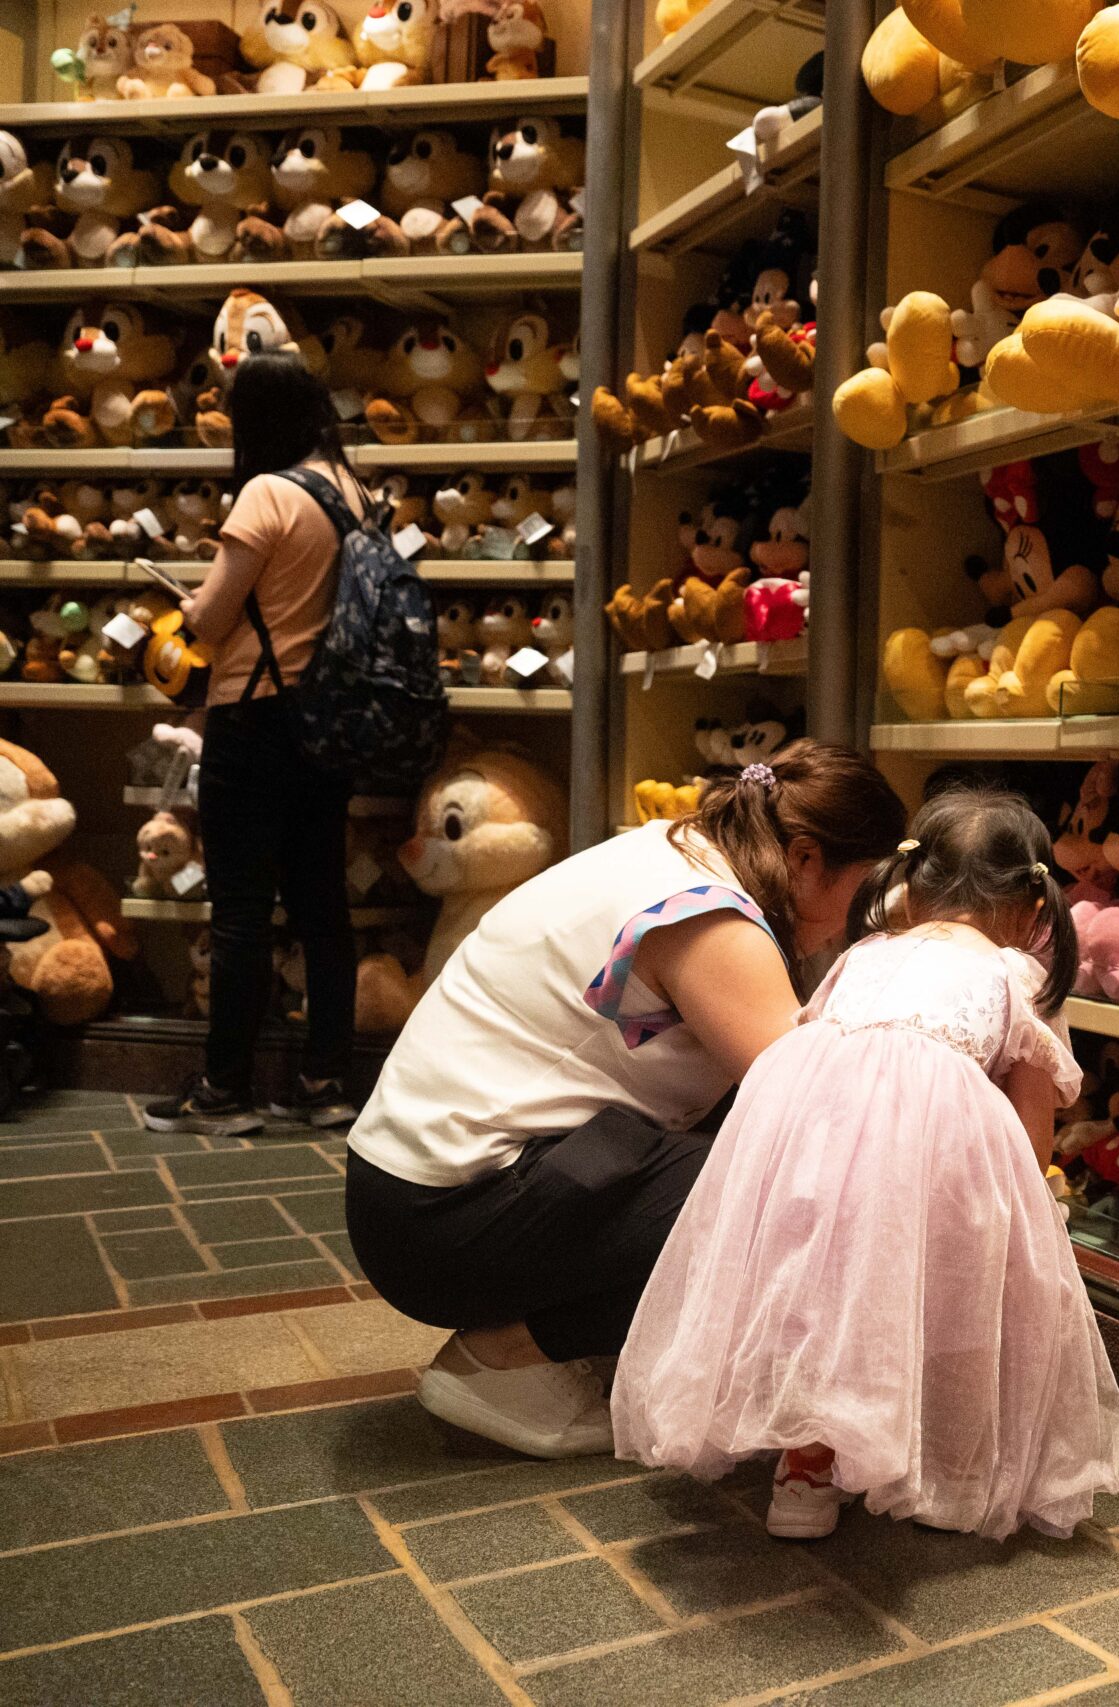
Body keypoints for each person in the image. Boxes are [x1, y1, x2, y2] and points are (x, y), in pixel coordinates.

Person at [344, 745, 908, 1460]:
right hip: (438, 1227)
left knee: (747, 1156)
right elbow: (820, 1114)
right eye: (861, 892)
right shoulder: (716, 922)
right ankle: (503, 1358)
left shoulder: (678, 847)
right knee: (794, 1191)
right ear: (803, 858)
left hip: (406, 1195)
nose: (855, 924)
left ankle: (554, 1337)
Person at [612, 787, 1119, 1543]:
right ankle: (940, 1459)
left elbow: (820, 1047)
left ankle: (806, 1466)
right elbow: (1029, 1125)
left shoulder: (862, 953)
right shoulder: (1020, 975)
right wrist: (1026, 1209)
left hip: (801, 1145)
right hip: (930, 1159)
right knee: (935, 1298)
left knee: (818, 1299)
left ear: (909, 886)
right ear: (1032, 905)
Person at [144, 355, 374, 1137]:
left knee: (241, 910)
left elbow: (210, 618)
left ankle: (223, 1089)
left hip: (255, 719)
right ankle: (325, 1079)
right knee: (323, 909)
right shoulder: (354, 492)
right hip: (329, 722)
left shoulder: (265, 493)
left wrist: (187, 604)